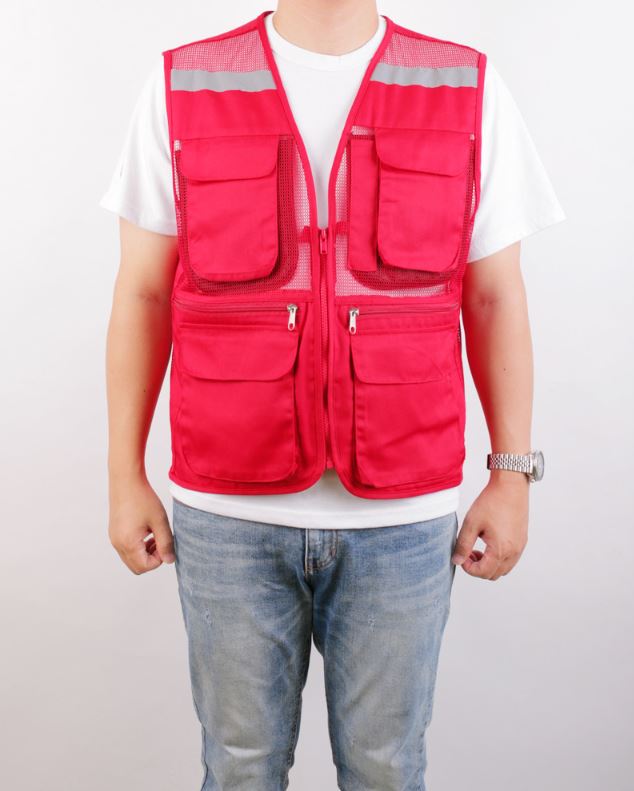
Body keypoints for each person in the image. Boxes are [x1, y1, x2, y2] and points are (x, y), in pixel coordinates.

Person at [101, 1, 565, 788]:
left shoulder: (465, 87)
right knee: (238, 769)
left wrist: (511, 473)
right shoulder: (186, 84)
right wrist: (124, 476)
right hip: (228, 514)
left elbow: (494, 297)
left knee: (387, 771)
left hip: (403, 517)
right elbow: (143, 292)